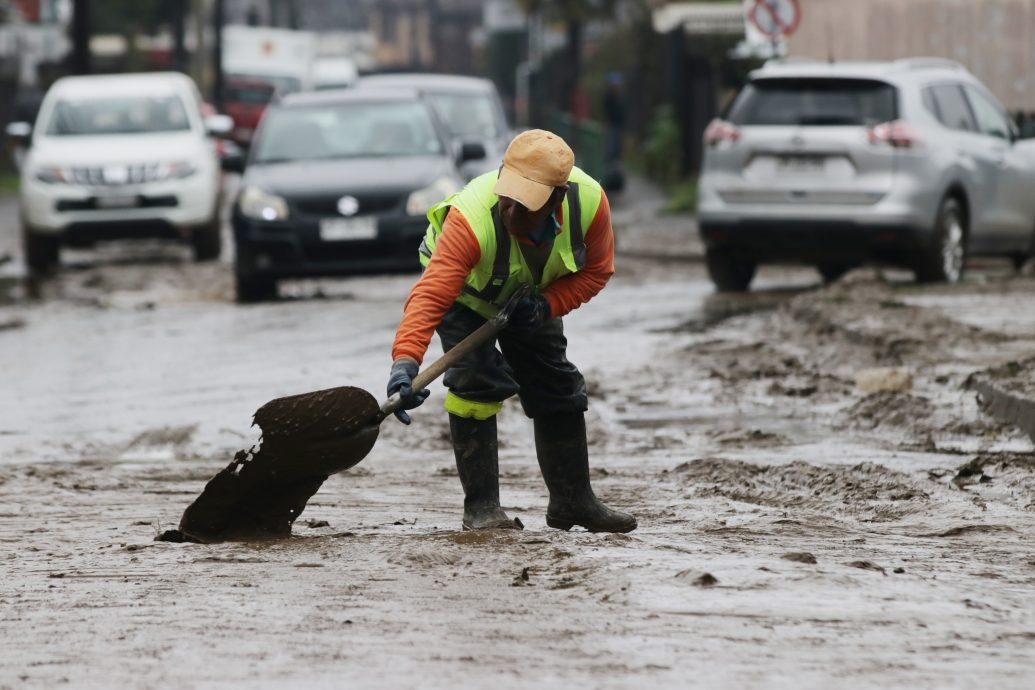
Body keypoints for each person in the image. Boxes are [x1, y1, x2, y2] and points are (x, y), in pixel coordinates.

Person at [386, 129, 637, 534]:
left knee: (556, 382)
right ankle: (482, 509)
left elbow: (596, 272)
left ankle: (573, 502)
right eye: (508, 199)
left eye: (527, 206)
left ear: (557, 198)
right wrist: (405, 361)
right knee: (476, 380)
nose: (512, 213)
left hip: (531, 299)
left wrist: (547, 305)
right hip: (465, 296)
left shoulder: (589, 203)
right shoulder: (470, 218)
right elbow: (431, 295)